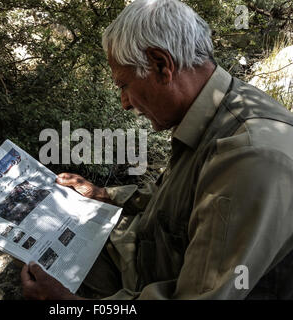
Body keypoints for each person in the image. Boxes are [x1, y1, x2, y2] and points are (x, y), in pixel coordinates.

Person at [20, 0, 293, 300]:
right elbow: (179, 205)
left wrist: (67, 306)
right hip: (138, 259)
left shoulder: (247, 158)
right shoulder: (211, 111)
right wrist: (106, 195)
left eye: (123, 84)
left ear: (162, 65)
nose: (124, 102)